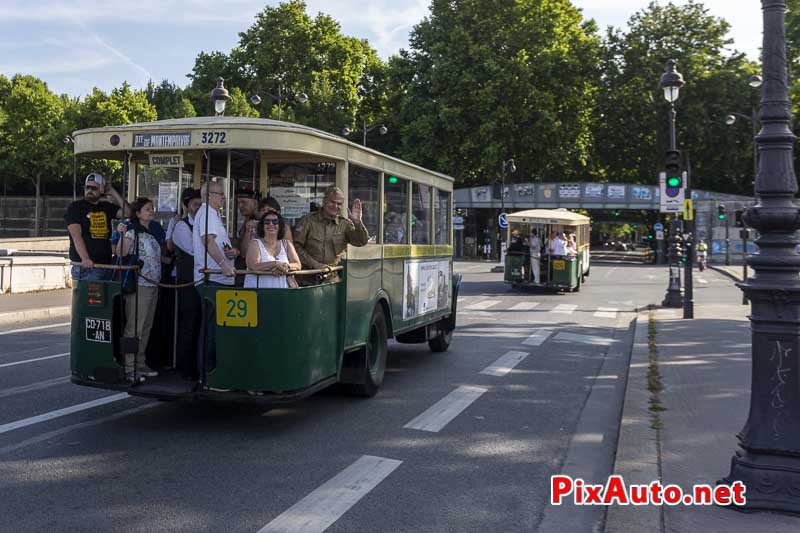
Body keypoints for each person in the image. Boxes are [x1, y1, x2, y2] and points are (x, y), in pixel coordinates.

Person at [116, 197, 162, 379]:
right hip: (139, 284)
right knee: (134, 327)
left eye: (152, 208)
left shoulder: (152, 231)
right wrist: (121, 234)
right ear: (138, 213)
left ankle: (140, 363)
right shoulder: (131, 231)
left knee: (146, 326)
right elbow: (121, 252)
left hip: (153, 283)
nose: (151, 211)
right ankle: (129, 367)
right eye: (147, 209)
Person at [293, 185, 369, 282]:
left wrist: (358, 223)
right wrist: (314, 264)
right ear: (324, 201)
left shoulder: (344, 224)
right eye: (332, 202)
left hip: (333, 280)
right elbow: (296, 246)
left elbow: (361, 242)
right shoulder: (308, 221)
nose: (335, 206)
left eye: (339, 204)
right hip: (307, 279)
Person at [65, 173, 128, 281]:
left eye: (94, 188)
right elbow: (76, 235)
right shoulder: (76, 207)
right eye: (87, 187)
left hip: (105, 265)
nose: (89, 190)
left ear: (101, 189)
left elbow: (127, 213)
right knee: (87, 297)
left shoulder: (106, 207)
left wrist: (112, 192)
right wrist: (85, 259)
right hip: (87, 267)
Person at [171, 187, 202, 379]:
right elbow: (194, 249)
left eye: (201, 204)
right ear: (187, 206)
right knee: (188, 324)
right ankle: (185, 367)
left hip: (200, 281)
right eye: (195, 204)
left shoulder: (202, 225)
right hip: (187, 283)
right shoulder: (182, 227)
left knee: (199, 323)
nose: (199, 208)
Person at [244, 211, 301, 288]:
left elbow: (297, 265)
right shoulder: (255, 243)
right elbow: (253, 266)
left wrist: (285, 267)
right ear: (262, 226)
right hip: (259, 292)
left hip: (283, 293)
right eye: (267, 222)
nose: (271, 224)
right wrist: (275, 264)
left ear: (280, 225)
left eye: (275, 222)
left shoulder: (286, 244)